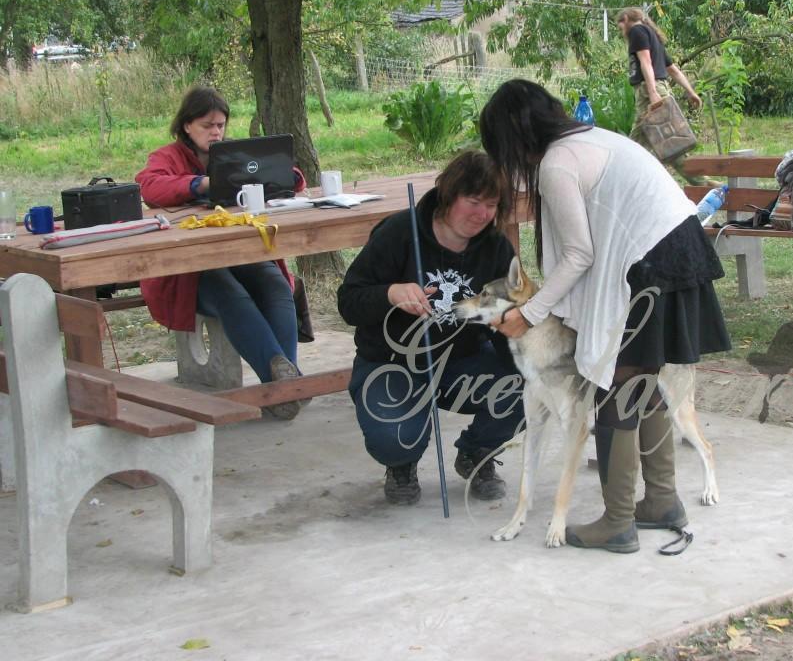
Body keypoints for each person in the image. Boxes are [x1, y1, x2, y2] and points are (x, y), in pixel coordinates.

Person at [480, 79, 731, 554]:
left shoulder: (556, 164)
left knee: (618, 385)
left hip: (654, 264)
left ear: (515, 136)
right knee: (642, 382)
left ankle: (618, 522)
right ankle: (660, 501)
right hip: (679, 253)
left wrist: (529, 314)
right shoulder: (595, 138)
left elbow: (578, 254)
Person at [337, 151, 525, 505]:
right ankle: (402, 463)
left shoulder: (496, 248)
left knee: (532, 386)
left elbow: (507, 319)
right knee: (393, 440)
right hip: (393, 362)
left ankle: (477, 451)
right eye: (473, 201)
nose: (482, 214)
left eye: (491, 204)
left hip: (463, 360)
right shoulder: (398, 233)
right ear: (448, 196)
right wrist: (390, 293)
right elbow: (348, 302)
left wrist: (517, 346)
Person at [136, 85, 309, 420]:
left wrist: (280, 172)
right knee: (231, 296)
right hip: (188, 267)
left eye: (220, 125)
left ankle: (283, 383)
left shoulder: (235, 152)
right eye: (207, 125)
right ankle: (285, 388)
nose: (216, 132)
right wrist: (198, 184)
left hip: (239, 252)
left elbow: (295, 179)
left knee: (276, 284)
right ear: (187, 126)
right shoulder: (166, 157)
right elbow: (150, 187)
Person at [617, 7, 715, 187]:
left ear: (625, 18)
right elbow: (673, 70)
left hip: (649, 91)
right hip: (658, 88)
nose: (621, 29)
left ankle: (704, 184)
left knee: (646, 146)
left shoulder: (637, 31)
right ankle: (705, 184)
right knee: (662, 146)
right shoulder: (652, 35)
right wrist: (690, 91)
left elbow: (646, 62)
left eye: (620, 24)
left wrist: (653, 93)